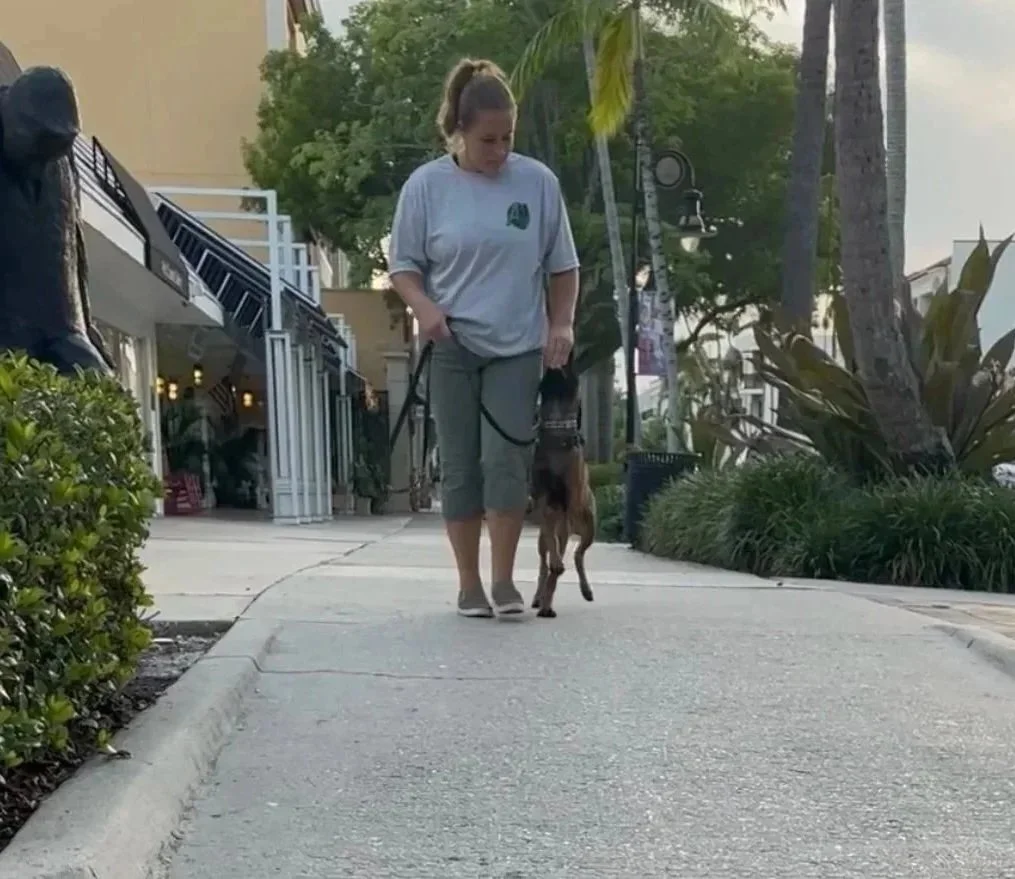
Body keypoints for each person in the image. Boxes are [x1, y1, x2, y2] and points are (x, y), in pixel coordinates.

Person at [387, 57, 580, 619]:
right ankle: (468, 583)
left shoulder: (537, 183)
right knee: (461, 464)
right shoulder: (427, 187)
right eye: (487, 140)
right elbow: (404, 266)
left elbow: (562, 265)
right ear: (460, 131)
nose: (499, 151)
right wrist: (424, 308)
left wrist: (561, 323)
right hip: (452, 345)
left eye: (507, 138)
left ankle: (503, 581)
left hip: (517, 346)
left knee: (506, 461)